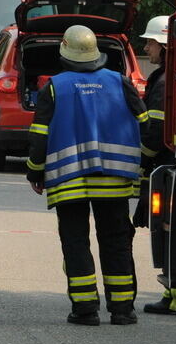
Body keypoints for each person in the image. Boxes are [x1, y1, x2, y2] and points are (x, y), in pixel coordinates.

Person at [26, 24, 146, 326]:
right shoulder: (119, 81)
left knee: (75, 241)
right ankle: (122, 310)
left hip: (69, 180)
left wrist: (35, 172)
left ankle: (85, 309)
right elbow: (145, 124)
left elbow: (40, 136)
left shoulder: (54, 87)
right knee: (117, 241)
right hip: (115, 178)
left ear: (64, 52)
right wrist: (144, 163)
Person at [134, 16, 176, 315]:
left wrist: (142, 161)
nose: (146, 47)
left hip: (164, 168)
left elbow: (154, 134)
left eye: (150, 43)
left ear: (164, 46)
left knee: (170, 230)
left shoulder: (163, 83)